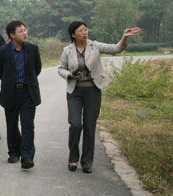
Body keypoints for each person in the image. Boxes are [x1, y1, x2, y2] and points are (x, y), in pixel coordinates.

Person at [58, 22, 141, 173]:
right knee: (75, 125)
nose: (85, 32)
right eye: (80, 30)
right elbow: (60, 68)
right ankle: (73, 157)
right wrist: (69, 74)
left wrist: (124, 37)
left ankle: (87, 161)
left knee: (90, 126)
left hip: (92, 90)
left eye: (86, 29)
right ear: (73, 34)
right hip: (74, 92)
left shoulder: (95, 46)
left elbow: (116, 49)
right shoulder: (67, 50)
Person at [0, 20, 42, 170]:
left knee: (28, 124)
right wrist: (10, 81)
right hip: (11, 92)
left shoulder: (32, 49)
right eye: (21, 31)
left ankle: (27, 157)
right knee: (12, 124)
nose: (25, 33)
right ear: (12, 35)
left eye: (25, 30)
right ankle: (14, 152)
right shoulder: (2, 51)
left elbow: (37, 69)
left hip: (28, 92)